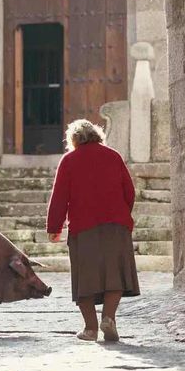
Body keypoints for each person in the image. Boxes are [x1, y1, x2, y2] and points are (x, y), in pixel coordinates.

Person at [46, 119, 139, 342]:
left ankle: (90, 329)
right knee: (115, 274)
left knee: (85, 279)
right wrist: (122, 215)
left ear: (74, 140)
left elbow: (60, 197)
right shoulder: (113, 156)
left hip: (83, 228)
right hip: (116, 226)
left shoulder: (69, 160)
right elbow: (129, 191)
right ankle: (109, 317)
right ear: (97, 136)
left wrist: (54, 227)